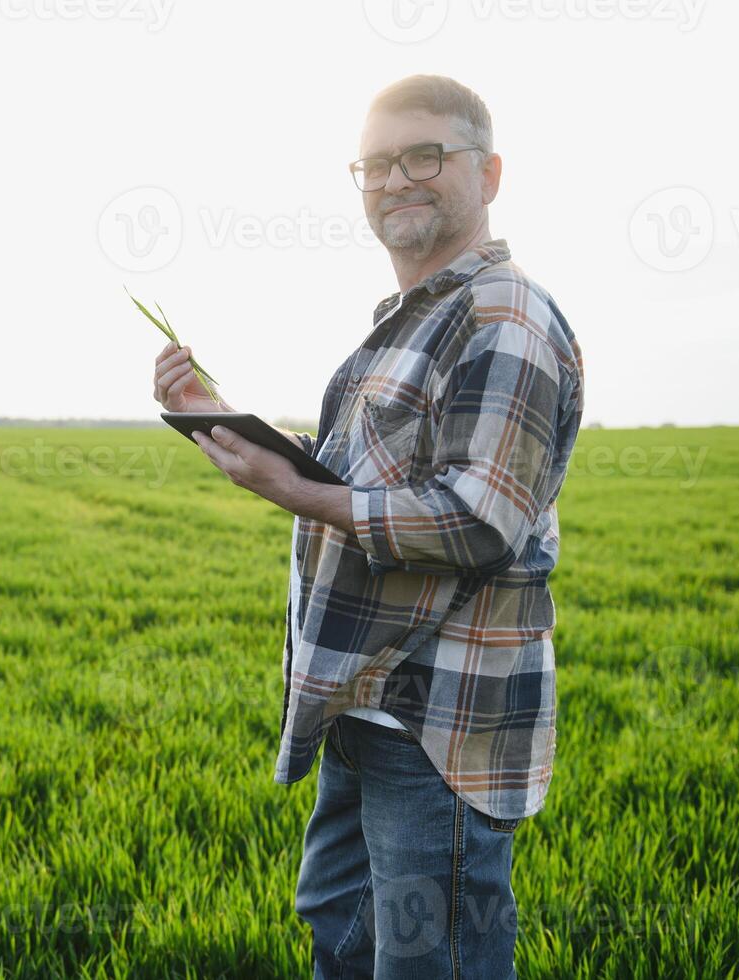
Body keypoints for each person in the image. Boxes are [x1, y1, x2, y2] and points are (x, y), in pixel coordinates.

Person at [151, 74, 584, 979]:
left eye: (425, 155)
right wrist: (224, 421)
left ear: (490, 173)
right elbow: (358, 476)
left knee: (433, 965)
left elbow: (477, 521)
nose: (397, 179)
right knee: (339, 940)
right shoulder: (408, 324)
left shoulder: (503, 318)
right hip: (360, 703)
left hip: (436, 727)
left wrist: (295, 492)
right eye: (376, 164)